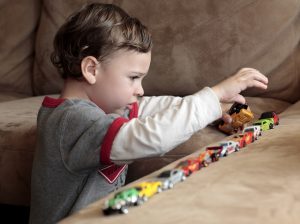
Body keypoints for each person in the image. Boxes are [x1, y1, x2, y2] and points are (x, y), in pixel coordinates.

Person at [29, 3, 268, 224]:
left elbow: (149, 107)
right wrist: (213, 95)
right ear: (92, 69)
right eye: (133, 78)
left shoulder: (101, 109)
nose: (140, 89)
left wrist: (213, 109)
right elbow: (153, 137)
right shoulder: (71, 121)